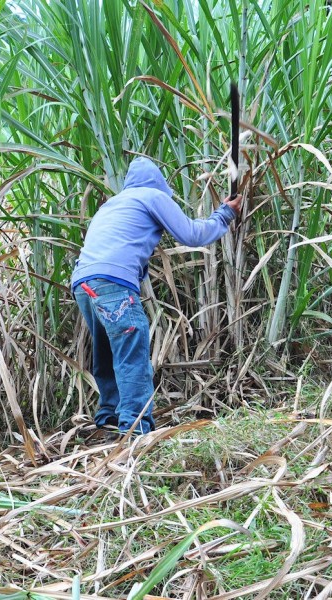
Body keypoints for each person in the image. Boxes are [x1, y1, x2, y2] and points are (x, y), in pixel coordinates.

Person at [72, 156, 242, 439]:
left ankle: (108, 420)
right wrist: (224, 214)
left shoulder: (111, 205)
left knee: (107, 352)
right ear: (159, 184)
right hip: (113, 284)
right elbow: (192, 234)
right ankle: (135, 431)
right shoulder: (152, 196)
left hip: (83, 285)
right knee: (131, 354)